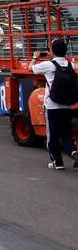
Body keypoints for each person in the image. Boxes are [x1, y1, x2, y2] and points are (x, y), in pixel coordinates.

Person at [31, 37, 78, 170]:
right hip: (67, 105)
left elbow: (31, 68)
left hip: (52, 105)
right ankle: (74, 152)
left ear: (53, 51)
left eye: (49, 49)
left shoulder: (49, 65)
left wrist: (35, 57)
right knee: (66, 134)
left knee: (52, 135)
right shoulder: (71, 65)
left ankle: (57, 162)